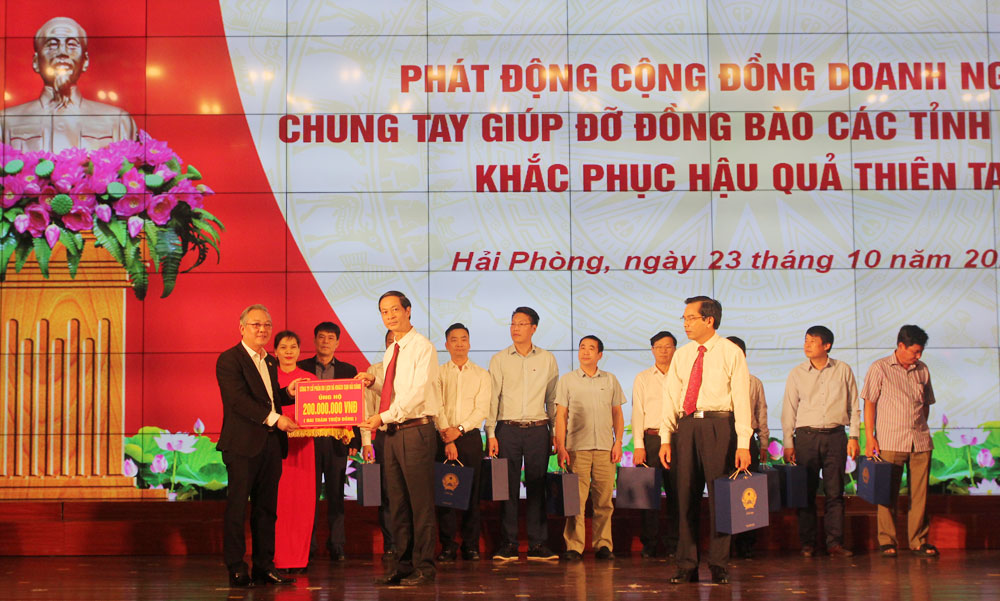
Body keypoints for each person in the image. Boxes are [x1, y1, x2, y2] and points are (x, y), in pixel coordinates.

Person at [658, 296, 751, 585]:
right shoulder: (683, 355)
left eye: (690, 318)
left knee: (721, 497)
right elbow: (670, 397)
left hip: (719, 425)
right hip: (686, 426)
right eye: (684, 318)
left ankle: (719, 563)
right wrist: (665, 437)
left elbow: (742, 399)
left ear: (709, 320)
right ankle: (686, 564)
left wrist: (743, 443)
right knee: (685, 497)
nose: (685, 323)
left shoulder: (731, 352)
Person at [215, 304, 300, 587]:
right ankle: (237, 567)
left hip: (270, 445)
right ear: (242, 328)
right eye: (256, 325)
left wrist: (288, 393)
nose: (262, 329)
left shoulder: (270, 361)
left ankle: (265, 566)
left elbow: (269, 399)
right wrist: (276, 419)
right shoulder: (230, 359)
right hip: (242, 446)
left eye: (266, 325)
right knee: (238, 509)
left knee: (267, 510)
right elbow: (238, 401)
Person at [359, 291, 440, 585]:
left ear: (408, 310)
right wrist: (374, 382)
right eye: (384, 311)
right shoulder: (391, 348)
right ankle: (403, 564)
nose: (390, 316)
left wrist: (383, 417)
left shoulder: (423, 347)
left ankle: (425, 567)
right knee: (397, 503)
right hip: (393, 433)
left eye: (395, 309)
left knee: (420, 503)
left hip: (416, 430)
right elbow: (393, 390)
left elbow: (416, 393)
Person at [486, 306, 559, 561]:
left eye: (521, 323)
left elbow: (552, 399)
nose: (515, 328)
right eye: (513, 323)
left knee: (538, 486)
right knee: (507, 488)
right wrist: (491, 433)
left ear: (534, 328)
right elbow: (492, 399)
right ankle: (508, 543)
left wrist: (555, 433)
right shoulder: (499, 359)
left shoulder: (547, 359)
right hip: (507, 430)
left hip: (538, 429)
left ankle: (538, 544)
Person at [780, 326, 859, 559]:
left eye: (813, 341)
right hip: (806, 437)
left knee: (835, 493)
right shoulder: (797, 373)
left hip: (836, 436)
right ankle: (808, 543)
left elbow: (854, 406)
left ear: (827, 346)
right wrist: (788, 442)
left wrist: (854, 437)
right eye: (806, 340)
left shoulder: (843, 370)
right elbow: (789, 409)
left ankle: (834, 543)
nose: (807, 345)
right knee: (806, 492)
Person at [1, 16, 137, 152]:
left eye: (72, 45)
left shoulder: (117, 120)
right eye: (52, 45)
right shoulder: (6, 121)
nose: (62, 52)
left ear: (85, 61)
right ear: (36, 62)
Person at [861, 325, 938, 558]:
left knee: (920, 495)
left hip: (920, 441)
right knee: (886, 493)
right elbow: (870, 403)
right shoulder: (880, 368)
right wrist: (870, 437)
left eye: (921, 351)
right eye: (915, 351)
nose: (918, 356)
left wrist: (920, 426)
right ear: (901, 346)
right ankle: (887, 540)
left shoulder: (922, 369)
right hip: (890, 441)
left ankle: (918, 541)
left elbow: (926, 404)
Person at [554, 335, 625, 561]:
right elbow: (561, 415)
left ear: (599, 355)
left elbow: (617, 413)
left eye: (591, 348)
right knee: (575, 501)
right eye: (582, 347)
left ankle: (603, 545)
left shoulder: (610, 380)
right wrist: (561, 446)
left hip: (605, 449)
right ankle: (574, 547)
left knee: (604, 501)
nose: (585, 352)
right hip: (577, 449)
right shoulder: (568, 380)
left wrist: (618, 441)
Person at [297, 322, 358, 561]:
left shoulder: (348, 370)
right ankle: (307, 545)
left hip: (336, 442)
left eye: (330, 338)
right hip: (308, 441)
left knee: (336, 494)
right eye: (321, 337)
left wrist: (353, 438)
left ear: (337, 343)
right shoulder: (301, 368)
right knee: (307, 496)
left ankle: (337, 544)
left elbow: (354, 405)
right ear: (314, 340)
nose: (325, 342)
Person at [435, 323, 490, 562]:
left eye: (463, 339)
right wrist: (447, 436)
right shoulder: (438, 373)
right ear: (446, 345)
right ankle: (448, 546)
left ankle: (471, 545)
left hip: (469, 438)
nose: (459, 344)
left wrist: (458, 431)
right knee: (445, 494)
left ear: (469, 343)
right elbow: (436, 406)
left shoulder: (481, 374)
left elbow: (482, 409)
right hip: (442, 437)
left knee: (471, 494)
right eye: (454, 340)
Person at [631, 331, 680, 558]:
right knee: (648, 496)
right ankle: (649, 543)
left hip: (677, 440)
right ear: (652, 350)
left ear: (675, 349)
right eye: (659, 347)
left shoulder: (682, 376)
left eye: (668, 346)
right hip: (650, 440)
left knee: (676, 493)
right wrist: (638, 445)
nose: (663, 351)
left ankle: (675, 543)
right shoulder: (643, 378)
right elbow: (637, 413)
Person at [272, 331, 317, 573]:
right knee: (278, 504)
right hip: (276, 448)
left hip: (304, 449)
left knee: (302, 504)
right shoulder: (269, 377)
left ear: (300, 351)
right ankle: (277, 558)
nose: (288, 351)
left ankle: (299, 559)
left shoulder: (310, 379)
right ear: (275, 351)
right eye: (283, 347)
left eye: (293, 347)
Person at [727, 335, 770, 559]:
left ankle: (746, 543)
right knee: (724, 489)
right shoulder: (714, 381)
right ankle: (724, 543)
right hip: (723, 439)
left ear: (743, 355)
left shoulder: (754, 382)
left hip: (748, 442)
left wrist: (763, 442)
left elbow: (761, 413)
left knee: (747, 491)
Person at [360, 329, 397, 562]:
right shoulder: (373, 371)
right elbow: (366, 407)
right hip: (384, 436)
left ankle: (410, 543)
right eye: (391, 341)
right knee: (386, 493)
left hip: (409, 436)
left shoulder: (414, 368)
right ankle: (391, 544)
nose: (395, 344)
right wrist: (366, 441)